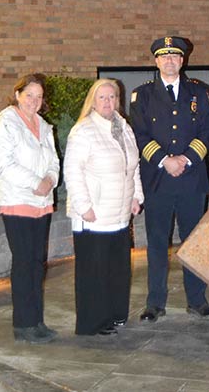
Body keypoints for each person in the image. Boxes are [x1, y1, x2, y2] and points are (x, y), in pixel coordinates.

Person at [130, 36, 209, 322]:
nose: (169, 61)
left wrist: (186, 159)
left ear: (182, 61)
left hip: (192, 180)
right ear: (156, 61)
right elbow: (140, 135)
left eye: (175, 57)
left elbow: (207, 132)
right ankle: (155, 303)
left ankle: (197, 299)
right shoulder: (142, 96)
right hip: (158, 180)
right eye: (164, 57)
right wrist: (165, 160)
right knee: (156, 243)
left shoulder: (200, 93)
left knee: (193, 242)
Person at [64, 79, 144, 336]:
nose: (108, 102)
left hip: (119, 212)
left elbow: (134, 166)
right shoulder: (83, 130)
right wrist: (83, 205)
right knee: (94, 272)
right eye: (102, 98)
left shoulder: (124, 127)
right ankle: (93, 323)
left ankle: (115, 314)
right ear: (93, 102)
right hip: (94, 214)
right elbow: (73, 171)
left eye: (112, 97)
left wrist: (136, 196)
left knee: (117, 268)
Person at [0, 73, 60, 344]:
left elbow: (54, 160)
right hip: (18, 201)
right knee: (23, 263)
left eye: (39, 96)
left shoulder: (44, 125)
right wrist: (36, 182)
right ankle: (23, 325)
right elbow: (4, 165)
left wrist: (50, 180)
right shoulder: (6, 121)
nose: (34, 100)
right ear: (18, 94)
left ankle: (37, 321)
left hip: (41, 203)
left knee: (37, 263)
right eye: (29, 94)